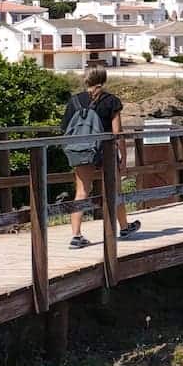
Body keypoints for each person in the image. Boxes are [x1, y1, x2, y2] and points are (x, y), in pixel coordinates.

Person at [61, 67, 139, 249]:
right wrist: (123, 157)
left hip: (82, 150)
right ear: (104, 80)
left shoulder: (74, 101)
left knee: (81, 192)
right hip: (106, 151)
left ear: (86, 80)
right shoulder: (111, 101)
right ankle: (124, 227)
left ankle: (76, 235)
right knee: (114, 190)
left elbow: (64, 128)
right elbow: (117, 133)